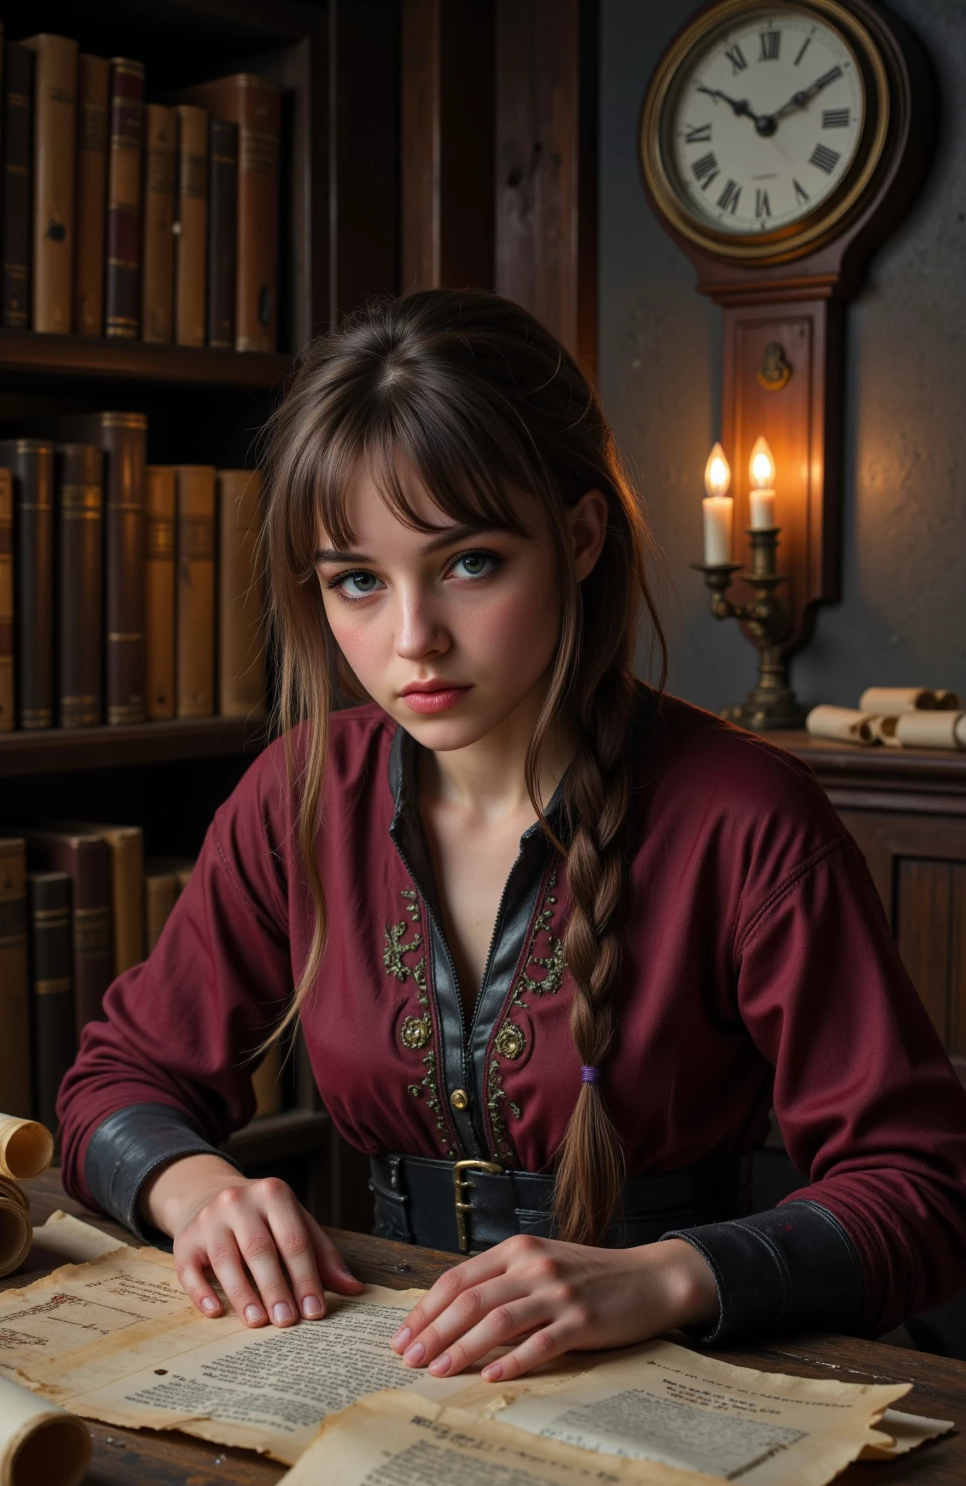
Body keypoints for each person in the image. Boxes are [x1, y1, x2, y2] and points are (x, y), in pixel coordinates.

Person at [57, 289, 966, 1386]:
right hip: (370, 1355)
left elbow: (922, 1187)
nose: (412, 640)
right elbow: (117, 1080)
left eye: (468, 563)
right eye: (356, 581)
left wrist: (669, 1276)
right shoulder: (297, 794)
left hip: (682, 1371)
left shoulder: (747, 816)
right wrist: (195, 1188)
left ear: (578, 538)